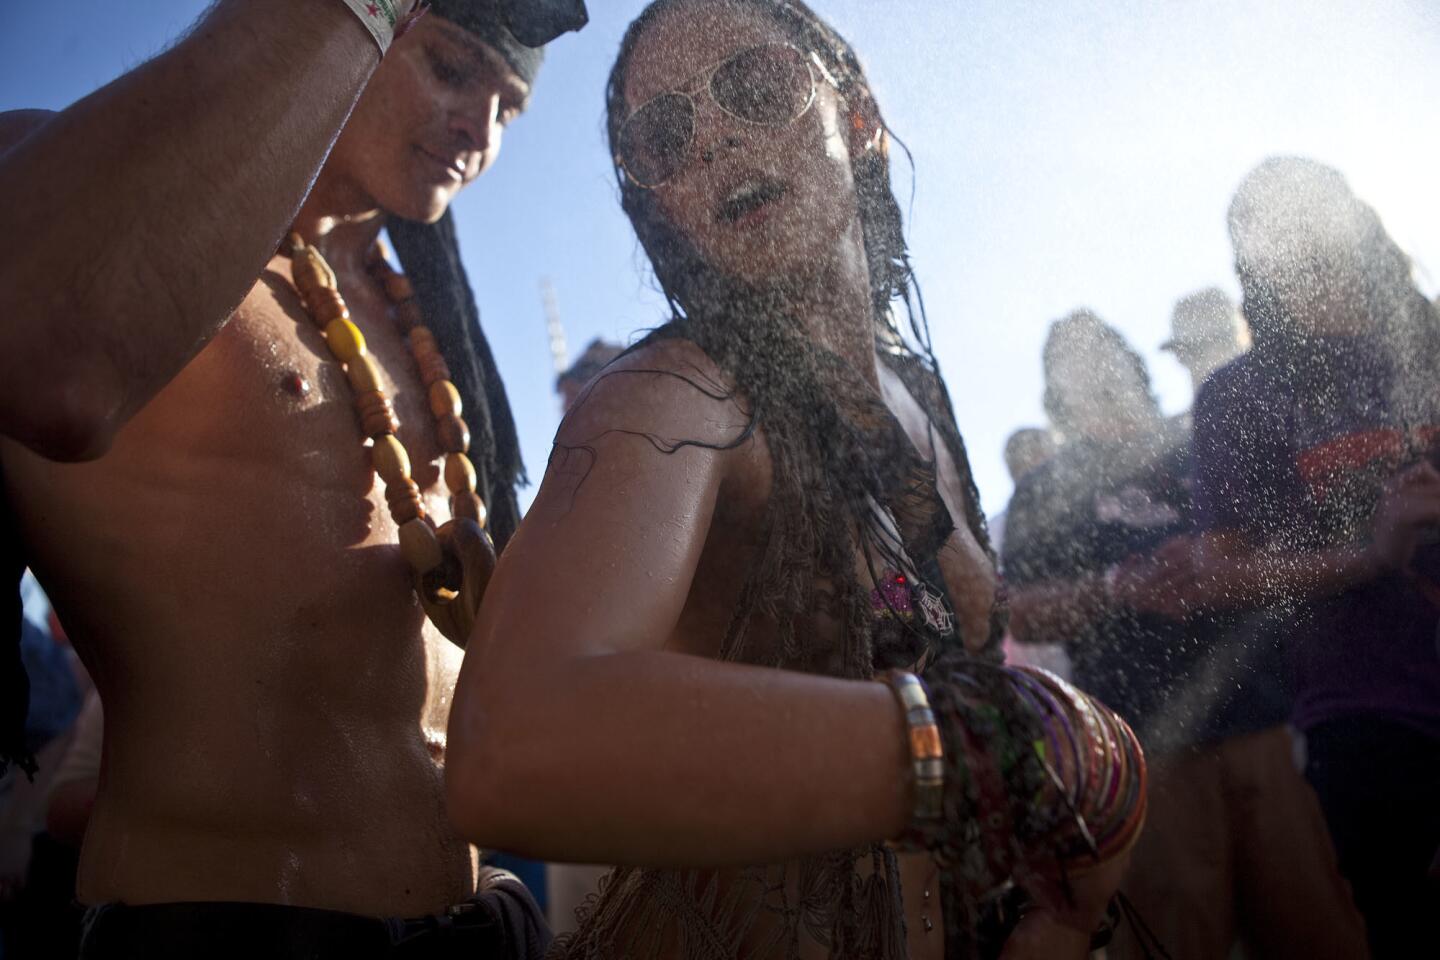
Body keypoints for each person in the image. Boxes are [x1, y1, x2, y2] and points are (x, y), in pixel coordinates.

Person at [443, 3, 1146, 958]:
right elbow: (508, 746)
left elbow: (977, 645)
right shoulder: (671, 400)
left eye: (758, 87)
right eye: (664, 138)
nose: (718, 135)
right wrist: (978, 746)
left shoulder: (920, 398)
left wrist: (1058, 913)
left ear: (854, 114)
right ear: (661, 206)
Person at [0, 1, 584, 955]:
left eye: (509, 110)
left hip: (483, 920)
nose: (479, 131)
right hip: (220, 928)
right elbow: (40, 351)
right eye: (449, 67)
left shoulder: (430, 329)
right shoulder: (86, 203)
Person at [1003, 311, 1365, 959]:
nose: (1093, 366)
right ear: (1056, 393)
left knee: (1322, 932)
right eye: (1069, 360)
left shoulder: (1201, 439)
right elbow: (1020, 611)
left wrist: (1222, 566)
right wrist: (1115, 585)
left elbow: (1288, 543)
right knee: (1173, 941)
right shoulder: (1047, 491)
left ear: (1133, 359)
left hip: (1266, 727)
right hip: (1147, 756)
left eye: (1103, 347)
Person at [1191, 156, 1440, 958]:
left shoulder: (1430, 341)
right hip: (1370, 718)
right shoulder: (1245, 392)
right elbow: (1221, 572)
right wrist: (1371, 553)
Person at [1159, 287, 1250, 398]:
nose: (1190, 363)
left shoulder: (1269, 398)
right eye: (1180, 353)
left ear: (1233, 343)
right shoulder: (1205, 408)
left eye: (1196, 351)